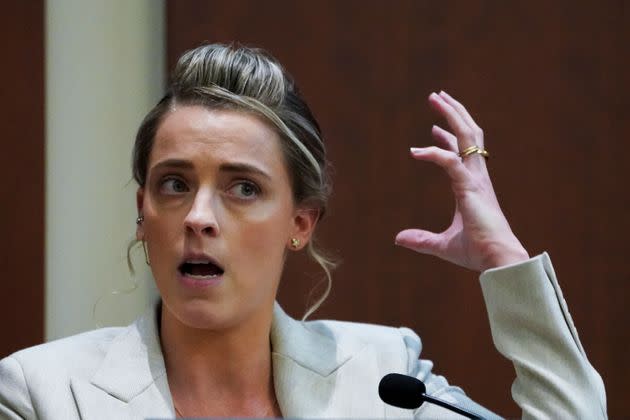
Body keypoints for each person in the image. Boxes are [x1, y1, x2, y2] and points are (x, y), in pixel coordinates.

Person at [0, 44, 606, 419]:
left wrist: (504, 257)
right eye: (174, 184)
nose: (199, 217)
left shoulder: (381, 380)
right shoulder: (42, 393)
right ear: (142, 213)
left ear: (300, 223)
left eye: (244, 188)